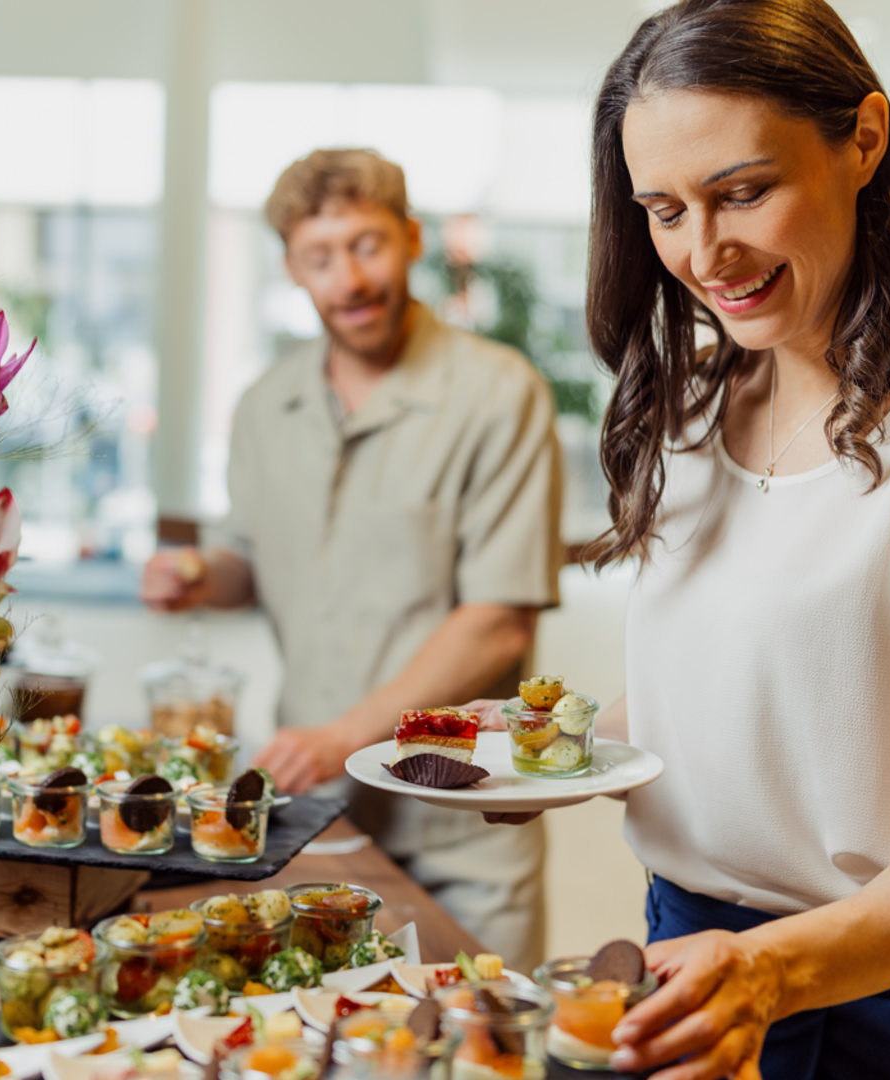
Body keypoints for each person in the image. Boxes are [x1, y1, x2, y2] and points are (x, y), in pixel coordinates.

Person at [470, 2, 890, 1077]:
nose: (703, 251)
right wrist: (544, 759)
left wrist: (775, 971)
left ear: (865, 139)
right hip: (684, 964)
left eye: (744, 192)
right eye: (664, 209)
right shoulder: (689, 411)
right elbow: (736, 699)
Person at [142, 149, 565, 971]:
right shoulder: (266, 405)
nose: (350, 279)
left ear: (411, 239)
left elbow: (498, 623)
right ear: (292, 266)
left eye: (368, 244)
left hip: (464, 834)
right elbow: (252, 564)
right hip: (320, 816)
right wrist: (199, 576)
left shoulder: (499, 393)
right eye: (321, 256)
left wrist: (343, 736)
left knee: (479, 1056)